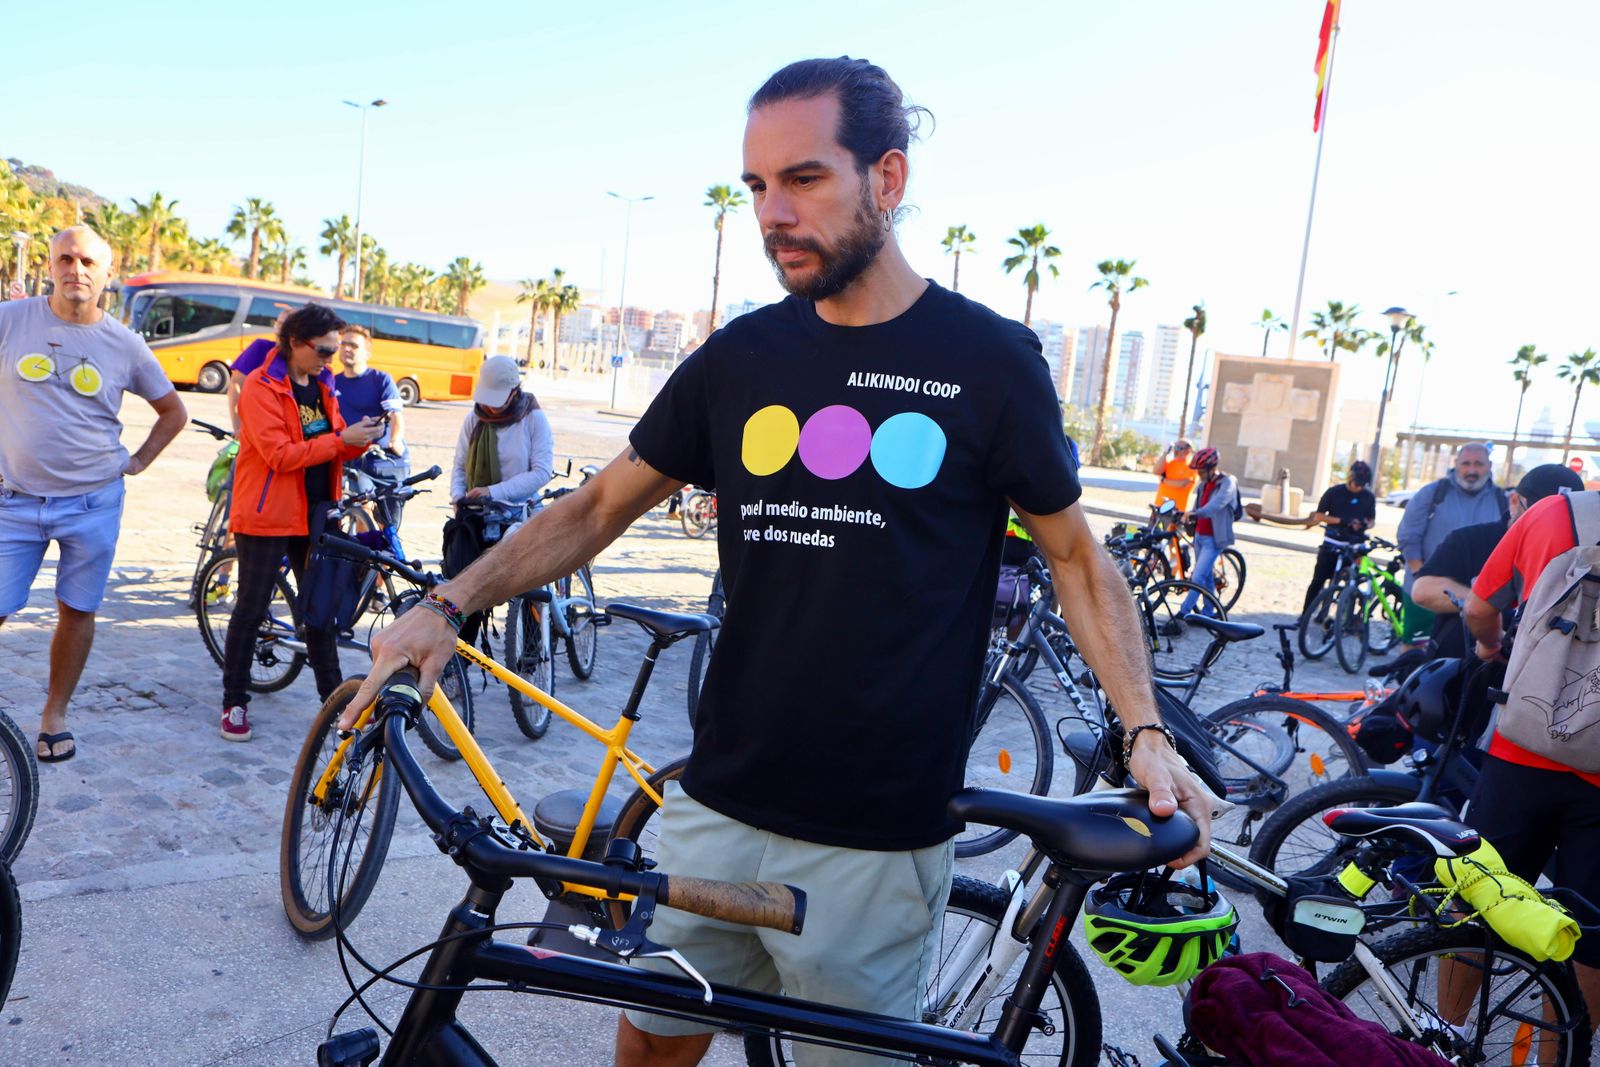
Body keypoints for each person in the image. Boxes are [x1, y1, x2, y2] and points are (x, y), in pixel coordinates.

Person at [345, 56, 1212, 1067]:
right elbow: (594, 507)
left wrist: (1143, 728)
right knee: (654, 1043)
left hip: (874, 841)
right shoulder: (742, 356)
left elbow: (1074, 555)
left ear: (886, 180)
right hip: (714, 804)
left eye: (803, 179)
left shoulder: (988, 361)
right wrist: (445, 602)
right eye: (757, 185)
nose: (771, 212)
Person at [0, 225, 187, 763]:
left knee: (76, 610)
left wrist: (137, 462)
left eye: (88, 262)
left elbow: (173, 412)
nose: (75, 269)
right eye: (66, 258)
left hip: (92, 503)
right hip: (13, 501)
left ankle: (54, 714)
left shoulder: (124, 343)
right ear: (50, 264)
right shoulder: (11, 320)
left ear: (108, 274)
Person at [1463, 484, 1600, 1018]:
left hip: (1522, 748)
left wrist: (1492, 646)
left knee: (1481, 898)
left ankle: (1442, 1035)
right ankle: (1565, 1053)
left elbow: (1479, 607)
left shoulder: (1553, 512)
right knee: (1590, 930)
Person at [221, 304, 383, 741]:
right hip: (268, 513)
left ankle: (334, 703)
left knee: (320, 610)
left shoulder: (324, 385)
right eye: (325, 350)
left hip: (316, 512)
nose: (332, 359)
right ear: (296, 342)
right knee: (252, 608)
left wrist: (359, 439)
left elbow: (332, 444)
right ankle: (234, 701)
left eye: (334, 351)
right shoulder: (261, 387)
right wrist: (339, 441)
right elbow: (280, 455)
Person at [1412, 463, 1583, 658]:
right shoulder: (1470, 539)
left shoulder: (1582, 556)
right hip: (1461, 672)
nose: (1550, 526)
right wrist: (1488, 610)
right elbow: (1423, 590)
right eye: (1539, 516)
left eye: (1563, 519)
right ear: (1513, 501)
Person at [448, 353, 554, 650]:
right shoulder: (474, 418)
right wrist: (458, 497)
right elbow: (458, 467)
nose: (490, 405)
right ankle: (460, 656)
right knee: (465, 585)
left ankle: (533, 653)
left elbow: (541, 471)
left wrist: (494, 491)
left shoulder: (533, 418)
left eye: (497, 398)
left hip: (520, 512)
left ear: (514, 391)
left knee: (530, 585)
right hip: (478, 514)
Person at [1395, 442, 1507, 645]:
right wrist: (1421, 577)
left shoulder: (1503, 500)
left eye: (1478, 464)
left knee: (1473, 655)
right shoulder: (1432, 494)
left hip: (1481, 600)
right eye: (1466, 463)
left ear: (1489, 466)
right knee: (1416, 650)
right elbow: (1409, 536)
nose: (1471, 470)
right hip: (1431, 596)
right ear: (1456, 464)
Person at [333, 324, 410, 526]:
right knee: (358, 506)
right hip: (346, 457)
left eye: (354, 345)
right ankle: (355, 554)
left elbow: (395, 415)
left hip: (378, 458)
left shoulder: (380, 380)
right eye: (344, 344)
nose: (347, 348)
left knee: (388, 523)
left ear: (367, 352)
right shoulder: (332, 383)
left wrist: (395, 439)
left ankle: (378, 550)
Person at [1300, 460, 1376, 612]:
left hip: (1354, 545)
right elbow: (1318, 516)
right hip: (1332, 542)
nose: (1358, 487)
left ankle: (1350, 618)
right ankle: (1305, 614)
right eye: (1356, 483)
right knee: (1318, 580)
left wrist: (1363, 524)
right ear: (1350, 478)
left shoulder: (1368, 497)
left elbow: (1371, 520)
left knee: (1356, 583)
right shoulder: (1334, 492)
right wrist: (1341, 521)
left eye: (1362, 485)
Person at [1176, 447, 1237, 620]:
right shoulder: (1203, 485)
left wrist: (1197, 513)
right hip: (1199, 536)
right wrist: (1186, 514)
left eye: (1202, 471)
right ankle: (1209, 612)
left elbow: (1216, 505)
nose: (1199, 474)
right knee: (1206, 576)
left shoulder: (1227, 483)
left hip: (1214, 538)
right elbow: (1197, 507)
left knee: (1198, 576)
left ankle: (1183, 613)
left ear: (1212, 468)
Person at [227, 307, 290, 433]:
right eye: (279, 323)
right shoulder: (260, 348)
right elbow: (236, 385)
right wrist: (238, 426)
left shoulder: (302, 360)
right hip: (253, 430)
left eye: (287, 325)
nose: (280, 329)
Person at [1153, 439, 1197, 512]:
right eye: (1175, 447)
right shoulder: (1169, 463)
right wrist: (1165, 453)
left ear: (1188, 451)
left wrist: (1163, 480)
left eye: (1179, 448)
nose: (1175, 450)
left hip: (1176, 511)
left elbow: (1182, 484)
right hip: (1159, 507)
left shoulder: (1191, 467)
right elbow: (1156, 471)